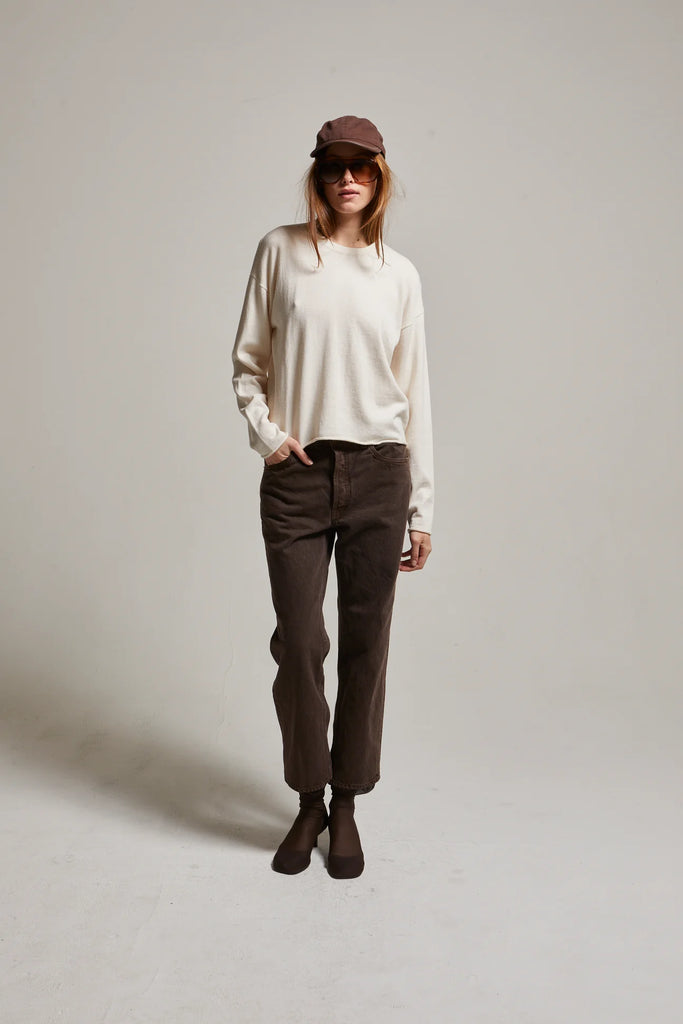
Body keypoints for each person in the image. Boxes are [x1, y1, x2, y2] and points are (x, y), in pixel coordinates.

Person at [231, 114, 434, 879]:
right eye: (333, 166)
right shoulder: (280, 251)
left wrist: (422, 508)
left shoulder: (398, 274)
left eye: (362, 167)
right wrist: (267, 435)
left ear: (379, 177)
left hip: (380, 471)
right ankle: (307, 797)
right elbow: (248, 363)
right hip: (298, 472)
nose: (347, 178)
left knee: (365, 645)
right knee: (299, 642)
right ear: (316, 175)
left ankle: (346, 802)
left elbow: (414, 395)